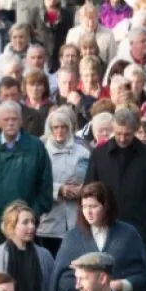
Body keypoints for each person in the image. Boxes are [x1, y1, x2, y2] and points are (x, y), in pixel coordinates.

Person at [51, 182, 146, 291]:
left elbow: (143, 275)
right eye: (84, 207)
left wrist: (122, 285)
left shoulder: (128, 234)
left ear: (106, 206)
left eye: (93, 206)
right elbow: (62, 278)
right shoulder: (72, 238)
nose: (88, 212)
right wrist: (89, 286)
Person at [0, 101, 55, 254]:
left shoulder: (35, 147)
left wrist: (34, 213)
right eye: (6, 120)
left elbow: (45, 185)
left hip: (24, 225)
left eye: (14, 119)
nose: (10, 123)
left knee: (23, 273)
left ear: (21, 121)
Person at [85, 108, 146, 267]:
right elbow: (89, 191)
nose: (122, 139)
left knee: (140, 271)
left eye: (127, 134)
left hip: (139, 224)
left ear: (136, 130)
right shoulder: (99, 153)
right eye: (118, 133)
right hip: (106, 223)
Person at [38, 107, 90, 256]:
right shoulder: (41, 152)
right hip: (49, 221)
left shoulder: (83, 152)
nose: (59, 131)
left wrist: (82, 189)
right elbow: (37, 182)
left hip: (76, 217)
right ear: (50, 129)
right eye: (55, 127)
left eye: (63, 127)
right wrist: (60, 190)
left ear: (69, 128)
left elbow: (90, 178)